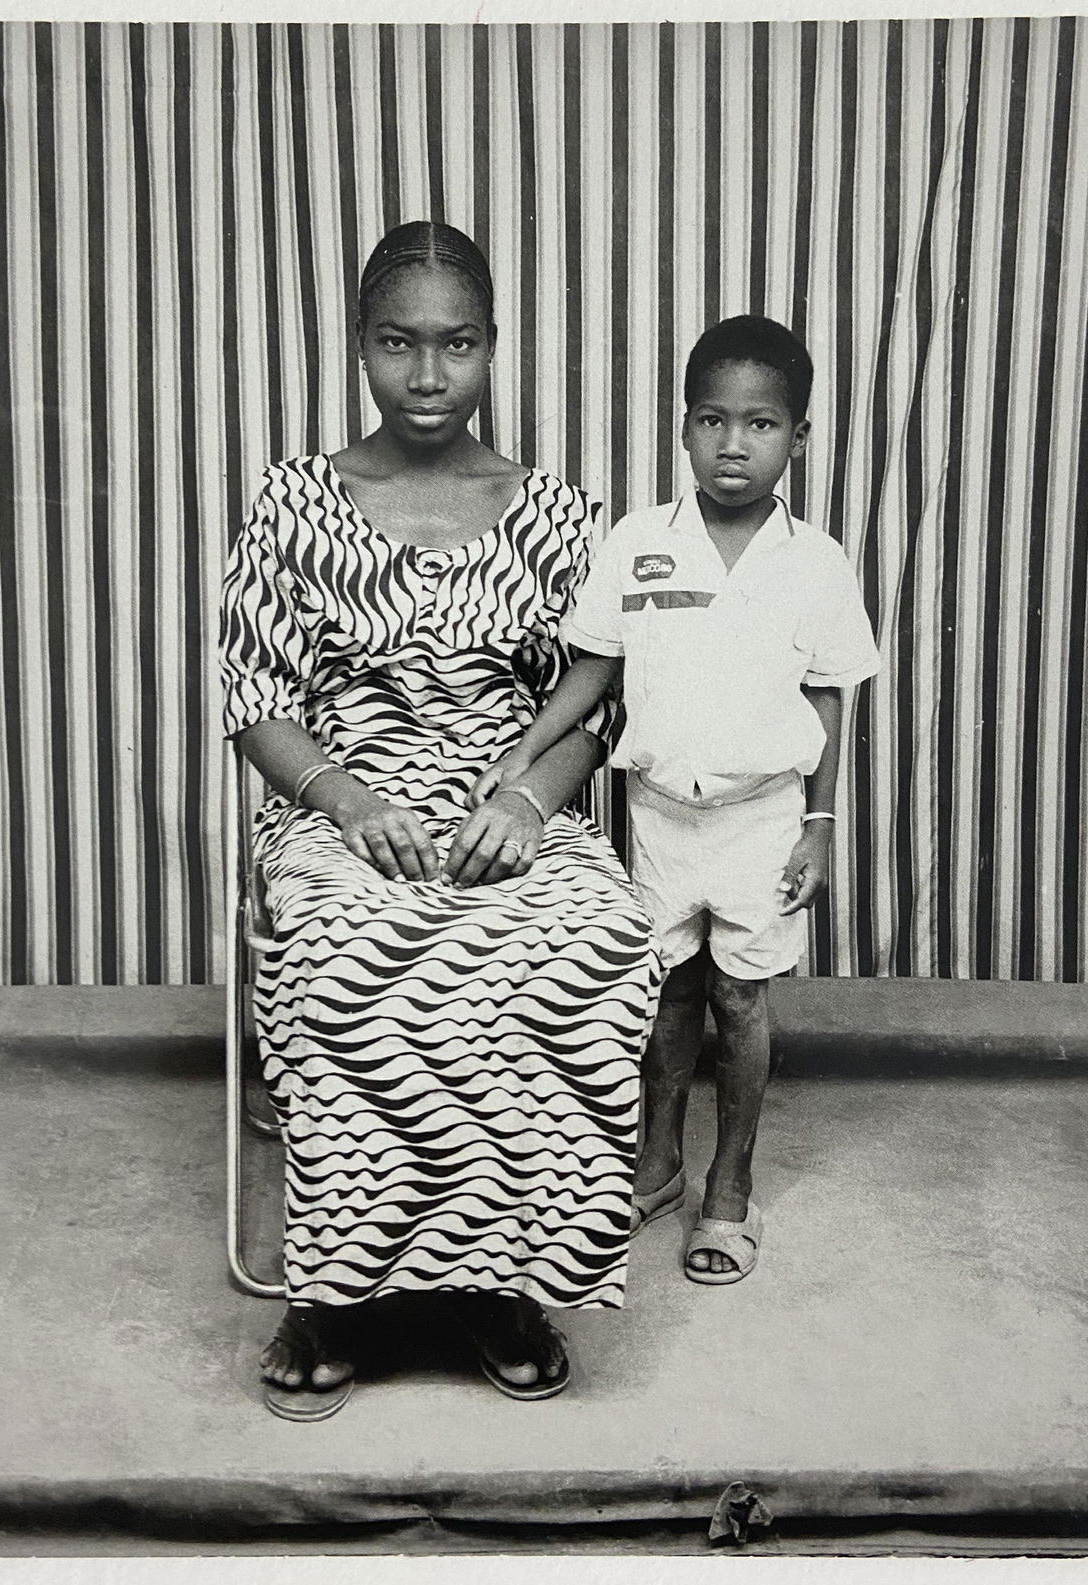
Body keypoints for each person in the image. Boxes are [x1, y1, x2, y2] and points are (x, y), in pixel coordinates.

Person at [220, 220, 660, 1420]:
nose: (427, 376)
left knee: (590, 940)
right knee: (344, 939)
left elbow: (594, 704)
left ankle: (508, 1282)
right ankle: (337, 1293)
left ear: (493, 348)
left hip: (512, 788)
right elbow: (257, 704)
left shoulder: (563, 515)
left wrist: (525, 800)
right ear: (357, 345)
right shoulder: (293, 499)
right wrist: (348, 803)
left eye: (456, 345)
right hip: (337, 787)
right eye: (398, 344)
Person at [473, 315, 881, 1285]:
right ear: (683, 428)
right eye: (712, 420)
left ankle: (728, 1188)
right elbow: (593, 671)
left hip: (762, 820)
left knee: (740, 1000)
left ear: (799, 436)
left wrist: (821, 824)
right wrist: (524, 746)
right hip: (661, 815)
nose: (733, 444)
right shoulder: (638, 543)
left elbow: (831, 696)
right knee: (662, 994)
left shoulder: (814, 563)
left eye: (760, 424)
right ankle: (654, 1163)